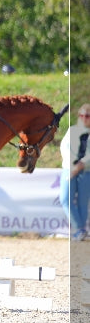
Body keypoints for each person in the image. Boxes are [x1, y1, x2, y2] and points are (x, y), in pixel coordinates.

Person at [60, 103, 90, 241]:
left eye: (88, 116)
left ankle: (81, 231)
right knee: (65, 199)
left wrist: (80, 165)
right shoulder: (72, 130)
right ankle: (79, 228)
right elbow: (64, 148)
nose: (84, 118)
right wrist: (72, 166)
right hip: (68, 168)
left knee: (83, 202)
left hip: (86, 170)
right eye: (82, 115)